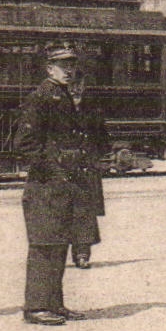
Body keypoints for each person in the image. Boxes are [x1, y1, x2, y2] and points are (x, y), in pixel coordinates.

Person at [12, 46, 89, 326]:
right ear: (49, 69)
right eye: (62, 66)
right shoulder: (41, 97)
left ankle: (54, 304)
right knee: (44, 246)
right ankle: (35, 307)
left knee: (58, 244)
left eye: (72, 66)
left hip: (61, 185)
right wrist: (54, 170)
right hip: (45, 186)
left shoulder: (62, 95)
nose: (69, 71)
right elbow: (25, 144)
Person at [67, 76, 108, 269]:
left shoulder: (93, 112)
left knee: (85, 212)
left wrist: (93, 158)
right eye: (72, 89)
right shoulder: (56, 111)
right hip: (64, 168)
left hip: (86, 167)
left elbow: (103, 140)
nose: (75, 93)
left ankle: (82, 254)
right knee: (62, 211)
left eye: (78, 89)